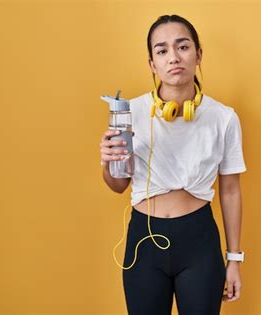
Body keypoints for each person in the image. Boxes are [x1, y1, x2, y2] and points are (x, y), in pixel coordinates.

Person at [99, 14, 247, 315]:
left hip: (199, 240)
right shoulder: (130, 112)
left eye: (182, 47)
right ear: (152, 64)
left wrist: (234, 259)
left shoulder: (224, 117)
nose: (173, 57)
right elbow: (118, 186)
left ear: (198, 54)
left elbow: (230, 191)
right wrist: (108, 161)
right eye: (162, 50)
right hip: (144, 240)